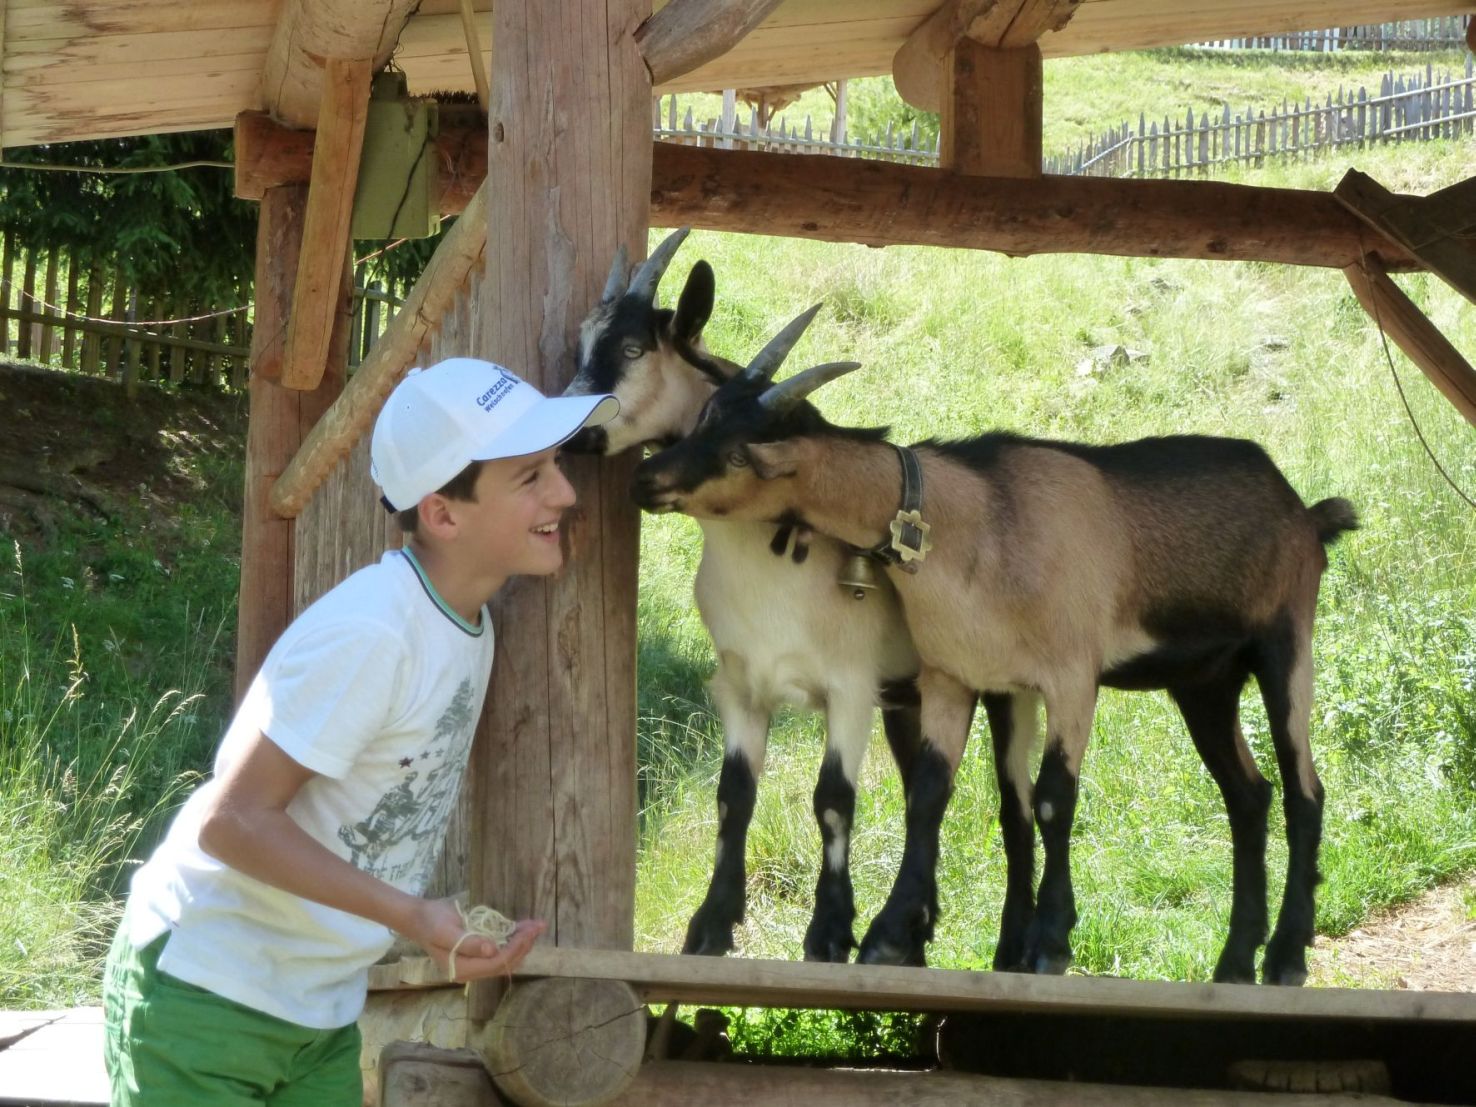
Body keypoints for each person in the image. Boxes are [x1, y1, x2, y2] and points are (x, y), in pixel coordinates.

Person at [102, 358, 619, 1106]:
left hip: (320, 1013)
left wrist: (430, 928)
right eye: (531, 475)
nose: (567, 493)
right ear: (442, 513)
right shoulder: (375, 630)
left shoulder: (470, 626)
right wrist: (412, 916)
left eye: (556, 466)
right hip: (204, 996)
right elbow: (230, 821)